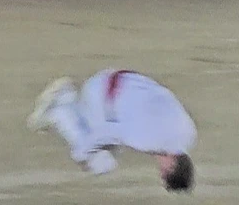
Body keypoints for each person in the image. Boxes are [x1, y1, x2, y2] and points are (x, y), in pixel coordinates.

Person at [27, 69, 197, 191]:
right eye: (164, 173)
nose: (160, 171)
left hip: (123, 80)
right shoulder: (149, 140)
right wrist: (81, 153)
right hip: (100, 94)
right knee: (102, 163)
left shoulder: (189, 134)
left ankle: (70, 104)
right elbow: (108, 132)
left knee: (110, 148)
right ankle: (60, 110)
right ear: (172, 166)